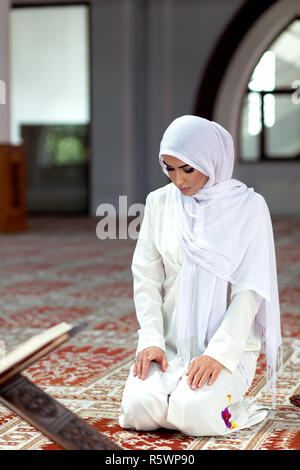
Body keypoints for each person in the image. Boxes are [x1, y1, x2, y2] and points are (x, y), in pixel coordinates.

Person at [118, 115, 282, 436]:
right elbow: (147, 278)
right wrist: (151, 340)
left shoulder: (249, 208)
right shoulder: (159, 202)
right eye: (170, 168)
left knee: (193, 414)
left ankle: (241, 408)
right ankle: (173, 390)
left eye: (187, 169)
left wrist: (218, 355)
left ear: (213, 160)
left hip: (228, 348)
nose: (178, 180)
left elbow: (249, 290)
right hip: (168, 345)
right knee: (137, 411)